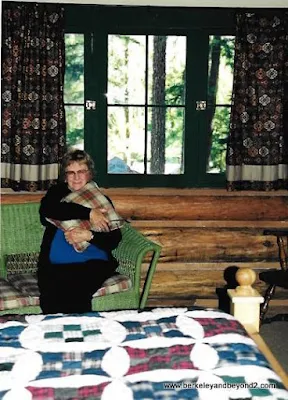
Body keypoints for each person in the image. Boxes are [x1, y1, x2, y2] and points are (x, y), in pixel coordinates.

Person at [37, 149, 122, 314]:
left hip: (92, 262)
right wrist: (89, 213)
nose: (76, 177)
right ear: (65, 175)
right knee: (50, 298)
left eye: (81, 171)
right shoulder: (56, 194)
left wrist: (89, 235)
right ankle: (51, 336)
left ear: (89, 174)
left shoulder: (100, 200)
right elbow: (47, 211)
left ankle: (83, 334)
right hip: (54, 265)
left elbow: (114, 239)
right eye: (71, 172)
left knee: (77, 294)